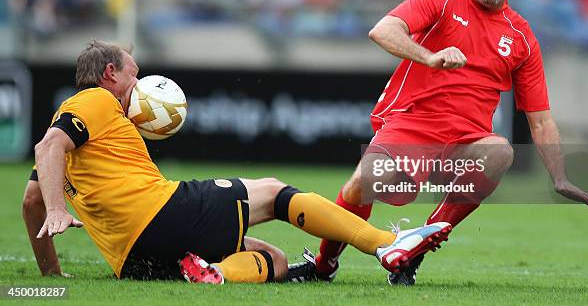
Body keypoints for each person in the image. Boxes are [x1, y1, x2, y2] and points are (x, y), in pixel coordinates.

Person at [290, 0, 588, 285]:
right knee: (363, 182)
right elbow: (383, 30)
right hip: (413, 124)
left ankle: (410, 255)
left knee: (500, 152)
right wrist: (430, 57)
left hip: (465, 140)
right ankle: (323, 265)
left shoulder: (522, 37)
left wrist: (558, 176)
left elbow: (540, 119)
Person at [21, 40, 451, 284]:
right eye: (135, 73)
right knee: (272, 190)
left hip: (133, 261)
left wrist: (52, 275)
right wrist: (60, 209)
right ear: (111, 73)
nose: (139, 80)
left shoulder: (79, 138)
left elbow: (29, 203)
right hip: (158, 215)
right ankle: (385, 244)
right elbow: (48, 148)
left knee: (275, 261)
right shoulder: (93, 99)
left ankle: (212, 273)